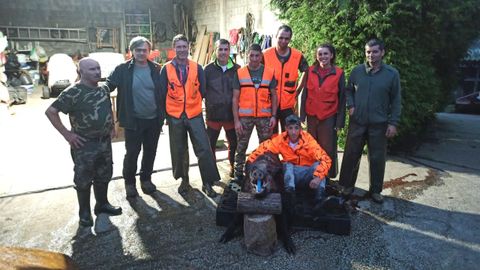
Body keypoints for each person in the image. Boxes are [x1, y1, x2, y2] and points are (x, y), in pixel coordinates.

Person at [45, 58, 122, 227]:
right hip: (84, 145)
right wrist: (67, 135)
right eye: (92, 69)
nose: (97, 72)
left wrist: (112, 126)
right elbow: (51, 111)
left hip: (104, 142)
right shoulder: (73, 92)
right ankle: (84, 212)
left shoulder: (103, 89)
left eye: (98, 68)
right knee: (83, 179)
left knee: (104, 175)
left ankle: (102, 204)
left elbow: (107, 107)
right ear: (81, 72)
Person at [339, 39, 402, 204]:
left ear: (382, 52)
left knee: (377, 158)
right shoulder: (357, 71)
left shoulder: (391, 74)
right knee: (351, 155)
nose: (371, 55)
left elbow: (396, 100)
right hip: (357, 122)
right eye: (368, 52)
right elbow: (348, 90)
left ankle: (375, 190)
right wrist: (350, 105)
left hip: (379, 124)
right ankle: (346, 186)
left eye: (374, 52)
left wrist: (393, 123)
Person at [160, 34, 219, 198]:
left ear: (189, 48)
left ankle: (207, 182)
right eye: (178, 47)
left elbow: (203, 90)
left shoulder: (197, 67)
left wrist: (196, 107)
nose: (181, 50)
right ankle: (184, 180)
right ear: (174, 49)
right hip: (175, 116)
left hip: (194, 114)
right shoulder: (166, 69)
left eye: (184, 47)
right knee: (179, 150)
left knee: (204, 149)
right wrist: (166, 116)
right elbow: (162, 93)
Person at [106, 36, 164, 199]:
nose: (141, 53)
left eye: (144, 50)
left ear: (149, 52)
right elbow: (108, 85)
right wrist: (90, 88)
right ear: (131, 51)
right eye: (138, 50)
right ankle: (129, 183)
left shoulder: (156, 69)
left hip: (154, 120)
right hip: (133, 120)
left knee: (150, 151)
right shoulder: (122, 69)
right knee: (132, 152)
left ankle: (146, 179)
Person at [246, 114, 332, 216]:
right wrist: (249, 164)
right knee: (288, 164)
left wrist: (318, 178)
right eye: (290, 128)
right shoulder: (280, 140)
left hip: (309, 176)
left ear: (300, 129)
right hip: (291, 177)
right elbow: (263, 148)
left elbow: (326, 159)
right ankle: (291, 199)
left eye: (296, 128)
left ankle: (319, 199)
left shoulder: (308, 139)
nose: (294, 132)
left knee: (318, 166)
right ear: (286, 128)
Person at [232, 43, 278, 182]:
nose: (254, 58)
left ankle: (264, 171)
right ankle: (238, 173)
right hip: (245, 117)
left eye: (257, 55)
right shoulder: (240, 73)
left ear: (261, 56)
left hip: (264, 117)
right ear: (247, 56)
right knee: (241, 147)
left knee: (265, 147)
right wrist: (236, 121)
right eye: (251, 55)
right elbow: (234, 98)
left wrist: (274, 116)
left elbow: (274, 96)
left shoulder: (269, 72)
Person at [300, 44, 346, 182]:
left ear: (331, 55)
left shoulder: (338, 73)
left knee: (327, 148)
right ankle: (312, 174)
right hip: (312, 116)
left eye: (326, 54)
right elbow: (305, 94)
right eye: (320, 54)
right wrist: (302, 115)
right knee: (312, 147)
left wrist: (339, 122)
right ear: (316, 56)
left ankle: (326, 178)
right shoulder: (310, 70)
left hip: (329, 117)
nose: (323, 57)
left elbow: (343, 98)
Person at [204, 39, 240, 178]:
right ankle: (212, 171)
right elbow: (201, 90)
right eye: (220, 49)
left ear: (229, 51)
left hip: (231, 115)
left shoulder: (237, 69)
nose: (223, 52)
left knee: (234, 144)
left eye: (226, 49)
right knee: (210, 145)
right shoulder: (208, 69)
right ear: (215, 51)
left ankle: (232, 167)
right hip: (213, 115)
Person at [263, 25, 309, 132]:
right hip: (269, 103)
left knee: (288, 136)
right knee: (271, 138)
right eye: (281, 38)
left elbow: (306, 71)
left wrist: (298, 90)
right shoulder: (265, 55)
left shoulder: (297, 56)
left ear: (290, 39)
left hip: (288, 105)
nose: (283, 41)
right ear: (276, 36)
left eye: (286, 38)